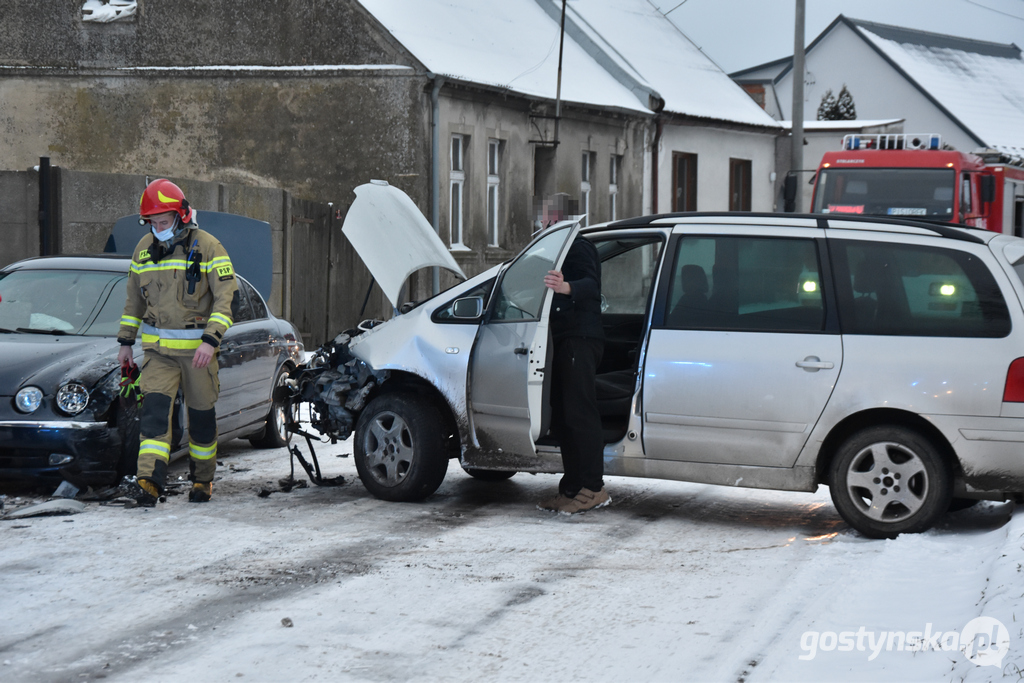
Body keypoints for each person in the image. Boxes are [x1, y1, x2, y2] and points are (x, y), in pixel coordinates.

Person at [116, 179, 238, 506]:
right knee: (154, 415)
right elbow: (133, 302)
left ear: (182, 216)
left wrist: (210, 342)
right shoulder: (144, 250)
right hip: (159, 354)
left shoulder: (209, 247)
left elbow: (227, 300)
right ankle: (149, 481)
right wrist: (126, 342)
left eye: (163, 222)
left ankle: (202, 480)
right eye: (153, 223)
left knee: (201, 419)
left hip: (198, 354)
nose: (158, 229)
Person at [537, 234, 608, 514]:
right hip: (563, 339)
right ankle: (572, 489)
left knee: (580, 413)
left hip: (580, 338)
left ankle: (593, 488)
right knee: (565, 417)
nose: (541, 223)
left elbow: (591, 285)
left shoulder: (578, 245)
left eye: (546, 218)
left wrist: (565, 286)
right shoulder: (556, 248)